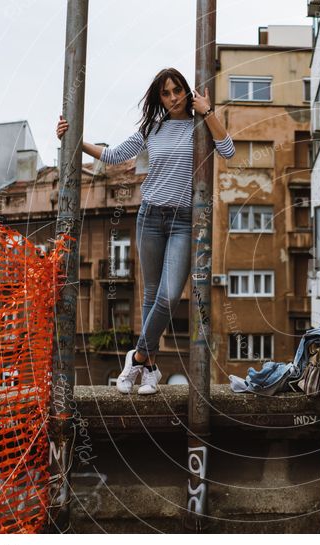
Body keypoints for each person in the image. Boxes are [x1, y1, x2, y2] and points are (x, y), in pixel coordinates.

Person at [56, 67, 235, 395]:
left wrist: (207, 111)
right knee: (151, 296)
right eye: (165, 93)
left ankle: (137, 356)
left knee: (169, 295)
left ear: (187, 91)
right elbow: (113, 156)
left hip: (183, 221)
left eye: (177, 91)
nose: (172, 99)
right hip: (150, 216)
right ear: (159, 97)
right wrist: (74, 140)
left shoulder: (200, 127)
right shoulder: (152, 128)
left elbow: (228, 150)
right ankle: (150, 369)